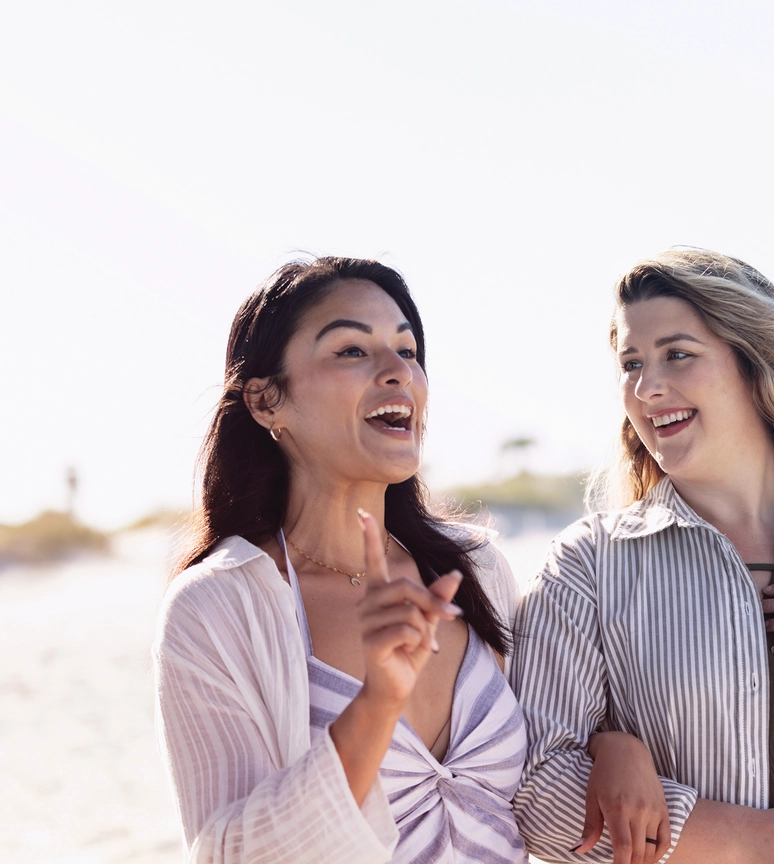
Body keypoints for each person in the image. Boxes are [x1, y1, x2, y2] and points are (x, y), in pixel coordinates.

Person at [153, 256, 531, 864]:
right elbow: (226, 855)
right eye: (352, 350)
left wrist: (622, 748)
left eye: (407, 352)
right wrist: (377, 703)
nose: (396, 373)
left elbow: (544, 787)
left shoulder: (476, 570)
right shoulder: (219, 604)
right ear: (265, 401)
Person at [513, 247, 774, 863]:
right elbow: (537, 794)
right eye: (631, 364)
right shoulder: (588, 566)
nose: (647, 387)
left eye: (677, 354)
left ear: (752, 358)